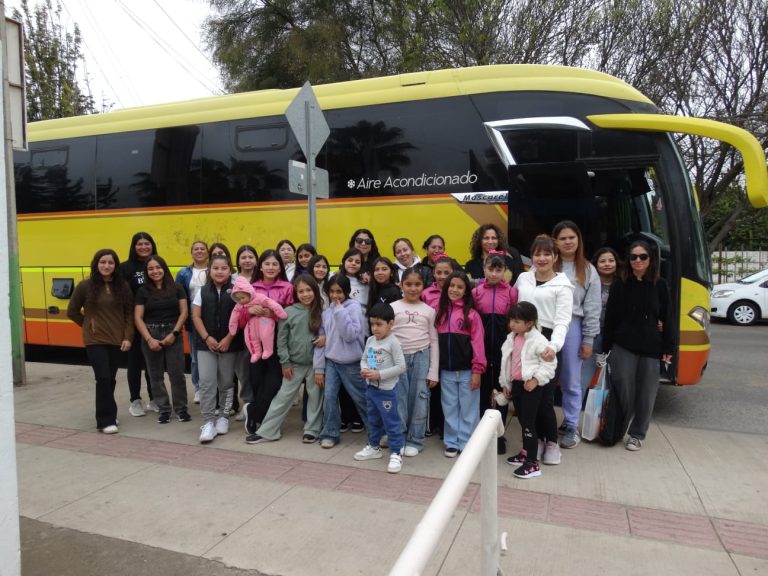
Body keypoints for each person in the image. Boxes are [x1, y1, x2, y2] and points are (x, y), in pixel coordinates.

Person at [602, 241, 673, 451]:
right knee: (624, 390)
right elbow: (611, 319)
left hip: (651, 347)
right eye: (633, 257)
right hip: (623, 345)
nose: (638, 261)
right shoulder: (620, 284)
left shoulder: (660, 285)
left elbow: (667, 317)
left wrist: (668, 348)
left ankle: (637, 433)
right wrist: (605, 348)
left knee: (647, 393)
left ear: (650, 259)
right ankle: (617, 429)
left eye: (643, 256)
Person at [513, 235, 573, 466]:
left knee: (545, 397)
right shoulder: (523, 278)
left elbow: (562, 321)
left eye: (547, 254)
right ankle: (534, 441)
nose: (541, 258)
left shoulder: (563, 286)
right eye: (537, 254)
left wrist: (553, 346)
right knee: (525, 396)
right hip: (523, 339)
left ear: (555, 257)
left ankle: (551, 443)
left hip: (546, 342)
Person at [246, 275, 325, 444]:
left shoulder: (321, 311)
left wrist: (324, 339)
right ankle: (268, 431)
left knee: (315, 396)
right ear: (296, 293)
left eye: (309, 290)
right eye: (301, 291)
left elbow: (329, 333)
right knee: (283, 397)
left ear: (315, 291)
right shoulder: (288, 312)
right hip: (293, 364)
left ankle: (312, 429)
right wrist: (285, 362)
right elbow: (281, 340)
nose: (305, 294)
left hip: (315, 364)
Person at [67, 249, 134, 434]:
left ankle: (109, 412)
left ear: (115, 266)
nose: (106, 266)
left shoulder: (123, 287)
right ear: (96, 264)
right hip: (95, 341)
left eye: (110, 263)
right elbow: (72, 311)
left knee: (110, 379)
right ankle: (105, 421)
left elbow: (129, 314)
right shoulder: (85, 286)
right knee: (103, 378)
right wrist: (88, 326)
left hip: (117, 340)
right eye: (103, 262)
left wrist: (128, 337)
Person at [552, 221, 601, 450]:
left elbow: (592, 308)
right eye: (562, 238)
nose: (568, 242)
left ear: (578, 240)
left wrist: (588, 339)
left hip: (573, 325)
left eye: (572, 237)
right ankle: (546, 422)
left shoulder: (589, 270)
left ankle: (571, 424)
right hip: (546, 325)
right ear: (555, 242)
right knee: (545, 376)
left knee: (571, 379)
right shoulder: (546, 264)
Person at [500, 302, 558, 478]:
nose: (512, 324)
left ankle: (532, 464)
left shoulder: (538, 340)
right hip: (516, 386)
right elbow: (507, 363)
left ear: (530, 323)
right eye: (511, 320)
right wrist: (505, 384)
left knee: (528, 423)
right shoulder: (512, 337)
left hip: (531, 387)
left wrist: (536, 380)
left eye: (517, 321)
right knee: (523, 421)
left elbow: (550, 364)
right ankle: (526, 452)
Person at [314, 275, 370, 448]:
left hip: (352, 362)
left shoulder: (353, 308)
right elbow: (321, 341)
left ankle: (378, 431)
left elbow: (350, 335)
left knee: (361, 398)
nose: (335, 295)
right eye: (331, 291)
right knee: (329, 398)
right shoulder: (326, 312)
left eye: (339, 291)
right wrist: (319, 368)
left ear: (347, 291)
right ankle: (330, 433)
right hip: (332, 362)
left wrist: (339, 311)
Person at [243, 250, 295, 434]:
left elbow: (291, 315)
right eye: (267, 264)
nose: (271, 267)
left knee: (274, 383)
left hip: (278, 342)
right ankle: (262, 419)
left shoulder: (287, 287)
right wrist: (250, 311)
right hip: (255, 343)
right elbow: (240, 314)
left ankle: (253, 411)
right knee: (257, 381)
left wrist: (272, 315)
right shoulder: (252, 287)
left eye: (275, 264)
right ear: (261, 266)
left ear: (280, 266)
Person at [471, 252, 519, 454]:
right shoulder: (476, 292)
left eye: (499, 270)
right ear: (484, 269)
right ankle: (482, 434)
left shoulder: (510, 293)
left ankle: (498, 435)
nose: (494, 273)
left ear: (505, 272)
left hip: (502, 349)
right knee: (483, 391)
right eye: (491, 269)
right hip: (482, 348)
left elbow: (514, 322)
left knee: (501, 391)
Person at [435, 271, 486, 457]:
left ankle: (466, 442)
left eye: (460, 286)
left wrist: (477, 370)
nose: (455, 290)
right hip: (446, 371)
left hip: (467, 371)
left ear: (466, 291)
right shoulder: (439, 313)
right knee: (449, 408)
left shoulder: (471, 315)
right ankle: (451, 442)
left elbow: (478, 344)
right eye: (452, 286)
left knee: (469, 409)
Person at [134, 255, 190, 424]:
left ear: (164, 269)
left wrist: (174, 333)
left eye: (158, 267)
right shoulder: (142, 291)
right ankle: (164, 409)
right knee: (155, 375)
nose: (155, 271)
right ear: (146, 272)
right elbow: (138, 317)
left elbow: (184, 312)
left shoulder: (177, 288)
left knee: (177, 374)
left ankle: (181, 409)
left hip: (173, 332)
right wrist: (149, 339)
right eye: (150, 269)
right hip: (151, 333)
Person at [192, 254, 242, 443]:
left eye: (223, 268)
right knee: (206, 382)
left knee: (226, 382)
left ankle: (223, 416)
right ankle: (208, 422)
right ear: (209, 271)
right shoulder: (202, 291)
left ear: (230, 270)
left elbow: (240, 316)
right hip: (206, 346)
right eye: (215, 268)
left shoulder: (236, 291)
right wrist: (206, 337)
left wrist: (229, 338)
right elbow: (196, 316)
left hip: (229, 344)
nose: (219, 271)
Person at [391, 268, 439, 456]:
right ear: (401, 285)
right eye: (408, 284)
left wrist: (433, 370)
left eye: (417, 284)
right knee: (399, 399)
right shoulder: (393, 308)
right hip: (398, 358)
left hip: (422, 356)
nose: (412, 288)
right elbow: (386, 338)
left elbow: (434, 340)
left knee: (420, 398)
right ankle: (399, 438)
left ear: (423, 286)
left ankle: (415, 440)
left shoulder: (429, 311)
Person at [354, 303, 407, 473]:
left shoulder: (393, 343)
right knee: (373, 420)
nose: (375, 328)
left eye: (379, 324)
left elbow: (401, 367)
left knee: (391, 422)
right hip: (371, 389)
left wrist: (380, 375)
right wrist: (364, 369)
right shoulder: (370, 340)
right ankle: (374, 447)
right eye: (372, 324)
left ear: (391, 324)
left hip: (387, 391)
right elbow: (365, 359)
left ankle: (396, 453)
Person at [121, 231, 157, 416]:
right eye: (140, 244)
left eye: (147, 243)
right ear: (134, 247)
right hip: (134, 324)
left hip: (154, 323)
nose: (144, 247)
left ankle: (154, 399)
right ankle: (135, 400)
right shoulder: (125, 268)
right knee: (135, 363)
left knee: (153, 363)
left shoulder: (157, 264)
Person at [581, 247, 621, 390]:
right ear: (595, 264)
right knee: (583, 376)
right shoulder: (588, 282)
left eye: (611, 260)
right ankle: (574, 409)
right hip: (593, 335)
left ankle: (610, 410)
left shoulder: (622, 284)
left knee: (616, 379)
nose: (607, 264)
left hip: (616, 338)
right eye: (602, 261)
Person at [175, 240, 209, 404]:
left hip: (212, 319)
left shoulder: (215, 269)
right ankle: (198, 388)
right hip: (193, 320)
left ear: (207, 252)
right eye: (196, 249)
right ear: (191, 252)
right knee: (196, 357)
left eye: (203, 249)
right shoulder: (183, 273)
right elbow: (179, 297)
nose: (199, 251)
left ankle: (212, 387)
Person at [229, 276, 287, 363]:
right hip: (250, 324)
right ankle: (256, 353)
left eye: (243, 298)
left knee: (266, 334)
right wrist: (232, 328)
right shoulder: (240, 305)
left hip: (264, 320)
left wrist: (279, 313)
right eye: (238, 299)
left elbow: (272, 304)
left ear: (249, 293)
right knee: (249, 338)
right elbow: (234, 316)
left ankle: (268, 350)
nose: (241, 300)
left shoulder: (259, 297)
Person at [232, 244, 259, 420]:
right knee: (243, 372)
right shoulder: (232, 279)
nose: (247, 260)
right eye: (244, 257)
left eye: (250, 257)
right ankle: (247, 404)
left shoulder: (261, 277)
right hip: (239, 334)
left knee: (258, 372)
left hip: (260, 333)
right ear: (238, 261)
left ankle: (259, 404)